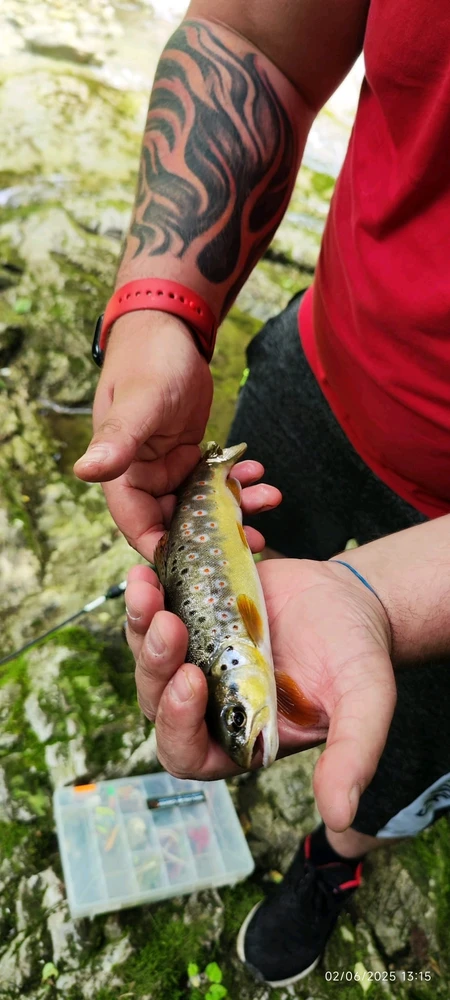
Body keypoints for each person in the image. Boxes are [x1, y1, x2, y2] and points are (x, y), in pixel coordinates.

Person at [74, 0, 450, 986]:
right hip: (322, 366)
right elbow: (252, 38)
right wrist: (159, 311)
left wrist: (383, 598)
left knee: (391, 754)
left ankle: (335, 859)